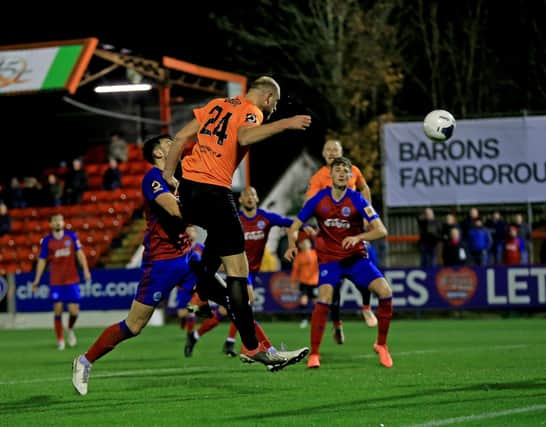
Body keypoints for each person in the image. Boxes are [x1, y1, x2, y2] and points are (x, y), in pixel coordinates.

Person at [162, 75, 311, 367]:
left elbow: (179, 138)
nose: (273, 110)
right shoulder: (252, 111)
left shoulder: (217, 104)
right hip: (215, 191)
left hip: (190, 190)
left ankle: (202, 294)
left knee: (219, 241)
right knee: (237, 269)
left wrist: (169, 177)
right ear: (267, 98)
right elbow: (244, 137)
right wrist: (285, 124)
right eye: (275, 105)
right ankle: (253, 347)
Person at [71, 134, 195, 395]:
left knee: (234, 292)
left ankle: (260, 348)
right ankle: (84, 361)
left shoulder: (177, 179)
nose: (175, 145)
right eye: (169, 143)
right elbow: (174, 211)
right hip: (162, 263)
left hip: (185, 256)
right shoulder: (153, 177)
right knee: (134, 326)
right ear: (158, 154)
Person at [285, 157, 394, 369]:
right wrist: (291, 245)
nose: (342, 173)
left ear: (351, 176)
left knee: (386, 292)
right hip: (330, 261)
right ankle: (314, 354)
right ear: (331, 175)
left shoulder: (357, 199)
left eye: (346, 171)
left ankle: (381, 345)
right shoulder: (319, 199)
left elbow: (382, 230)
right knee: (324, 298)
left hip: (355, 259)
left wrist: (359, 237)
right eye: (338, 170)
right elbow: (294, 226)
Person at [184, 186, 311, 368]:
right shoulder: (234, 220)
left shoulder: (265, 218)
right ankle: (266, 351)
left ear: (257, 198)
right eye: (246, 195)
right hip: (239, 273)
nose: (250, 197)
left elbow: (287, 222)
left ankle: (202, 337)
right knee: (244, 305)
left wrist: (305, 225)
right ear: (240, 200)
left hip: (250, 272)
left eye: (253, 194)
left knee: (230, 309)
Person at [305, 138, 377, 341]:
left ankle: (366, 307)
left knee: (366, 272)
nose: (332, 153)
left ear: (341, 152)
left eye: (335, 149)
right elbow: (309, 202)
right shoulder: (319, 177)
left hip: (353, 234)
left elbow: (364, 189)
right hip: (331, 239)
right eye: (328, 150)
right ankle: (337, 324)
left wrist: (368, 217)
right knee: (332, 286)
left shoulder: (353, 170)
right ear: (323, 154)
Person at [31, 213, 91, 350]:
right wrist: (37, 280)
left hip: (71, 280)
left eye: (60, 220)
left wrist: (86, 270)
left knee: (74, 311)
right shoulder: (47, 241)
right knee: (57, 310)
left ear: (63, 223)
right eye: (55, 221)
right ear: (50, 224)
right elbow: (42, 261)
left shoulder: (71, 237)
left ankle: (69, 329)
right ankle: (60, 340)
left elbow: (80, 254)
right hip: (56, 282)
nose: (58, 223)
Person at [290, 235, 319, 328]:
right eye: (303, 243)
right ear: (300, 245)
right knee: (303, 301)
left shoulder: (316, 253)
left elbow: (321, 265)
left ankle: (316, 320)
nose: (305, 244)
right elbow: (295, 270)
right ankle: (304, 320)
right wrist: (293, 282)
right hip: (304, 282)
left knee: (316, 302)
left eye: (307, 242)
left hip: (314, 282)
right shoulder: (299, 256)